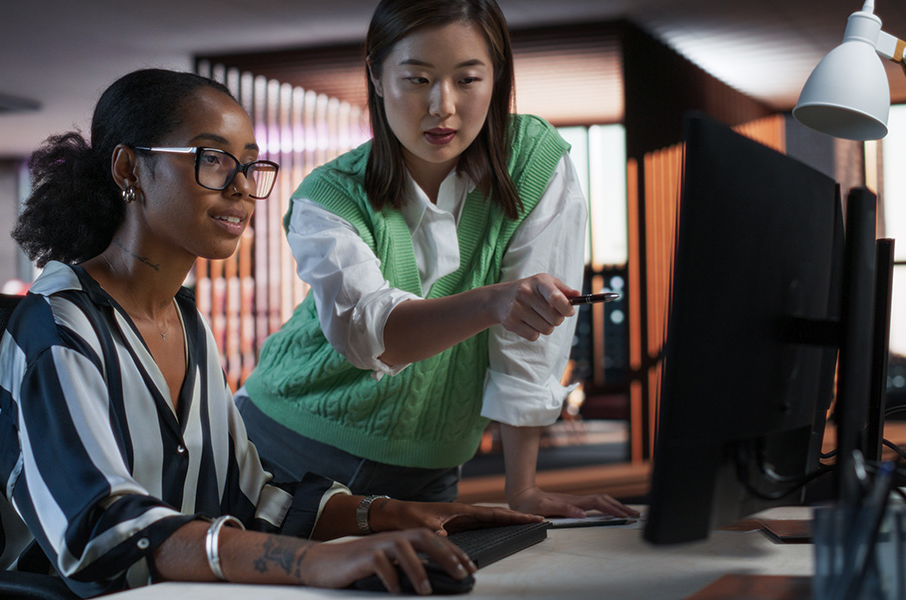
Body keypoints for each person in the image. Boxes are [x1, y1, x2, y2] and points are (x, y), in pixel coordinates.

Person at [0, 68, 540, 598]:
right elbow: (101, 531)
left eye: (250, 166)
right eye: (214, 160)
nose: (243, 187)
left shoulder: (187, 321)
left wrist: (390, 513)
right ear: (129, 169)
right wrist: (314, 563)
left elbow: (250, 498)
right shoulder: (60, 326)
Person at [237, 0, 640, 520]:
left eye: (468, 80)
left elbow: (531, 339)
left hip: (427, 471)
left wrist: (524, 488)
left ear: (497, 78)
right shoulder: (329, 195)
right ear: (378, 77)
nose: (442, 106)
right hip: (280, 442)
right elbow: (368, 335)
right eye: (417, 79)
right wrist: (492, 302)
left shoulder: (534, 162)